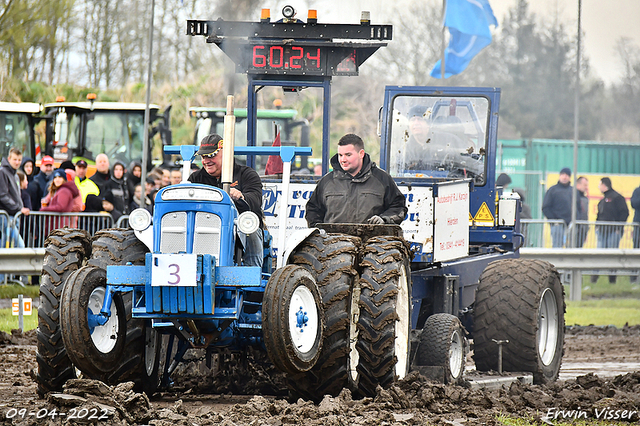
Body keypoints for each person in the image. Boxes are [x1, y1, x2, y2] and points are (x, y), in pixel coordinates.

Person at [188, 134, 264, 267]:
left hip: (237, 230)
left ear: (226, 153)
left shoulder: (247, 175)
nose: (206, 161)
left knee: (250, 229)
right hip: (202, 229)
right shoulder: (195, 179)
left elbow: (256, 200)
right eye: (203, 157)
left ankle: (252, 273)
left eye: (211, 156)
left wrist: (241, 196)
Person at [306, 133, 407, 227]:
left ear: (361, 154)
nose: (343, 160)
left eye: (348, 155)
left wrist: (384, 219)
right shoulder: (327, 181)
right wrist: (320, 232)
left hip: (372, 241)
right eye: (340, 155)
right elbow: (313, 211)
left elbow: (398, 207)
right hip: (333, 242)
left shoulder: (382, 179)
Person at [594, 177, 629, 284]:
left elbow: (624, 213)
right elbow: (600, 214)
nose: (599, 187)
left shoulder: (617, 198)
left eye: (600, 185)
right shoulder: (603, 200)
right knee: (599, 255)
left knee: (612, 255)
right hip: (602, 231)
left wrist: (618, 227)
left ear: (604, 185)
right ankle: (594, 278)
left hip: (613, 231)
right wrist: (597, 226)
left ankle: (612, 279)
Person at [0, 148, 30, 249]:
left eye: (19, 160)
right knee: (19, 246)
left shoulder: (16, 175)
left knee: (5, 245)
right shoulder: (2, 172)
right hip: (5, 215)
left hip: (13, 216)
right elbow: (2, 195)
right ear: (9, 159)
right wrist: (18, 208)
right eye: (15, 159)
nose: (17, 162)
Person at [40, 168, 83, 236]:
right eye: (55, 177)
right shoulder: (58, 190)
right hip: (59, 225)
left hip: (62, 225)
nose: (57, 179)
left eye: (60, 177)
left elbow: (61, 207)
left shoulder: (64, 190)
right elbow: (47, 200)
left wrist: (45, 209)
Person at [542, 167, 572, 248]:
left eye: (567, 175)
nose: (565, 177)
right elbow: (545, 208)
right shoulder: (552, 190)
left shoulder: (573, 191)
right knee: (557, 247)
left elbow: (579, 208)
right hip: (557, 225)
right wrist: (555, 221)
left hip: (571, 225)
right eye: (563, 175)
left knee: (571, 248)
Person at [576, 176, 589, 247]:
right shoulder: (572, 197)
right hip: (575, 228)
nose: (586, 187)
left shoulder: (585, 199)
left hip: (583, 229)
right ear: (578, 185)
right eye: (585, 185)